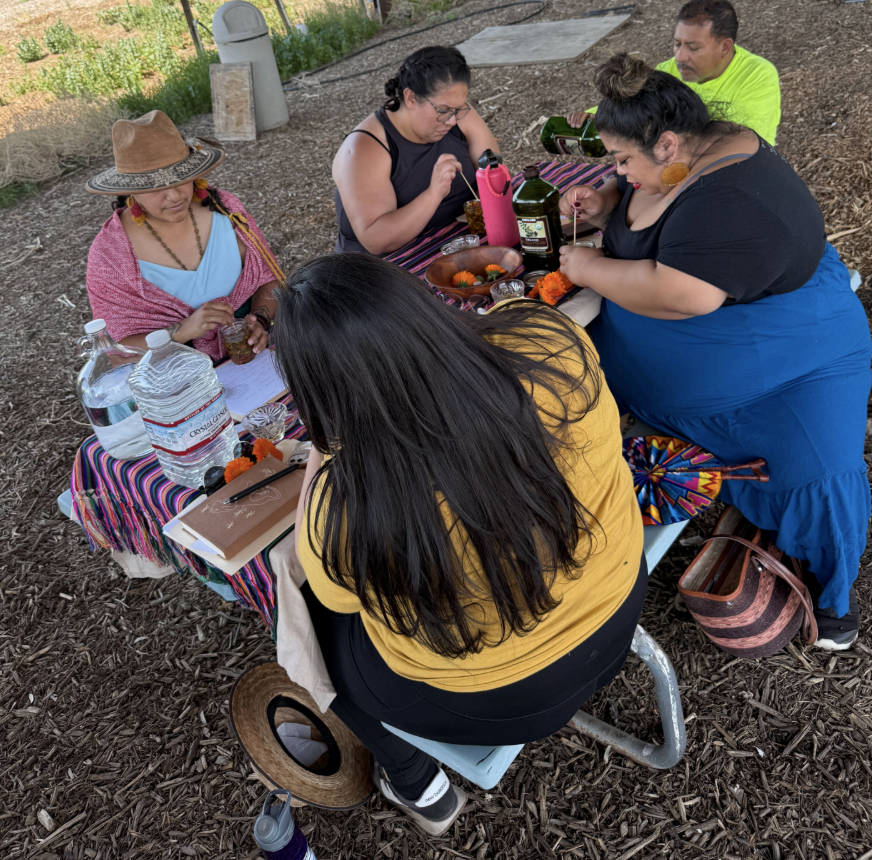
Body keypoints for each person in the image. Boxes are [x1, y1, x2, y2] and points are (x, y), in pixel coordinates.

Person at [272, 253, 645, 834]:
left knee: (309, 630)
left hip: (495, 704)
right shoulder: (552, 340)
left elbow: (335, 593)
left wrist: (327, 442)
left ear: (318, 392)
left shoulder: (341, 505)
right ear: (422, 305)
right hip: (618, 610)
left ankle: (415, 780)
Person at [559, 54, 870, 651]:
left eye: (621, 159)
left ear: (669, 143)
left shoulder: (728, 198)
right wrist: (605, 201)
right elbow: (644, 189)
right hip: (719, 347)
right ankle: (703, 456)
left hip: (791, 357)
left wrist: (592, 267)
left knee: (814, 471)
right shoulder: (696, 147)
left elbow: (683, 294)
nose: (618, 171)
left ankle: (830, 604)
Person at [86, 110, 283, 361]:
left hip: (257, 360)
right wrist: (183, 331)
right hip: (178, 382)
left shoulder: (226, 210)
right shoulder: (110, 254)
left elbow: (270, 278)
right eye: (155, 188)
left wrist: (261, 321)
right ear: (130, 190)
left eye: (181, 178)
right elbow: (115, 353)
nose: (175, 196)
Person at [332, 46, 499, 254]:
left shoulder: (455, 113)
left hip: (453, 242)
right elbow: (377, 240)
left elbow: (495, 172)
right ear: (411, 98)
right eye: (444, 110)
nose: (452, 120)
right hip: (384, 268)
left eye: (458, 109)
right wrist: (434, 193)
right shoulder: (363, 148)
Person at [570, 0, 781, 144]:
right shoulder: (668, 70)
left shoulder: (757, 75)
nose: (679, 57)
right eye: (677, 44)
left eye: (693, 47)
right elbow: (635, 103)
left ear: (725, 47)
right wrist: (596, 116)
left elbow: (746, 141)